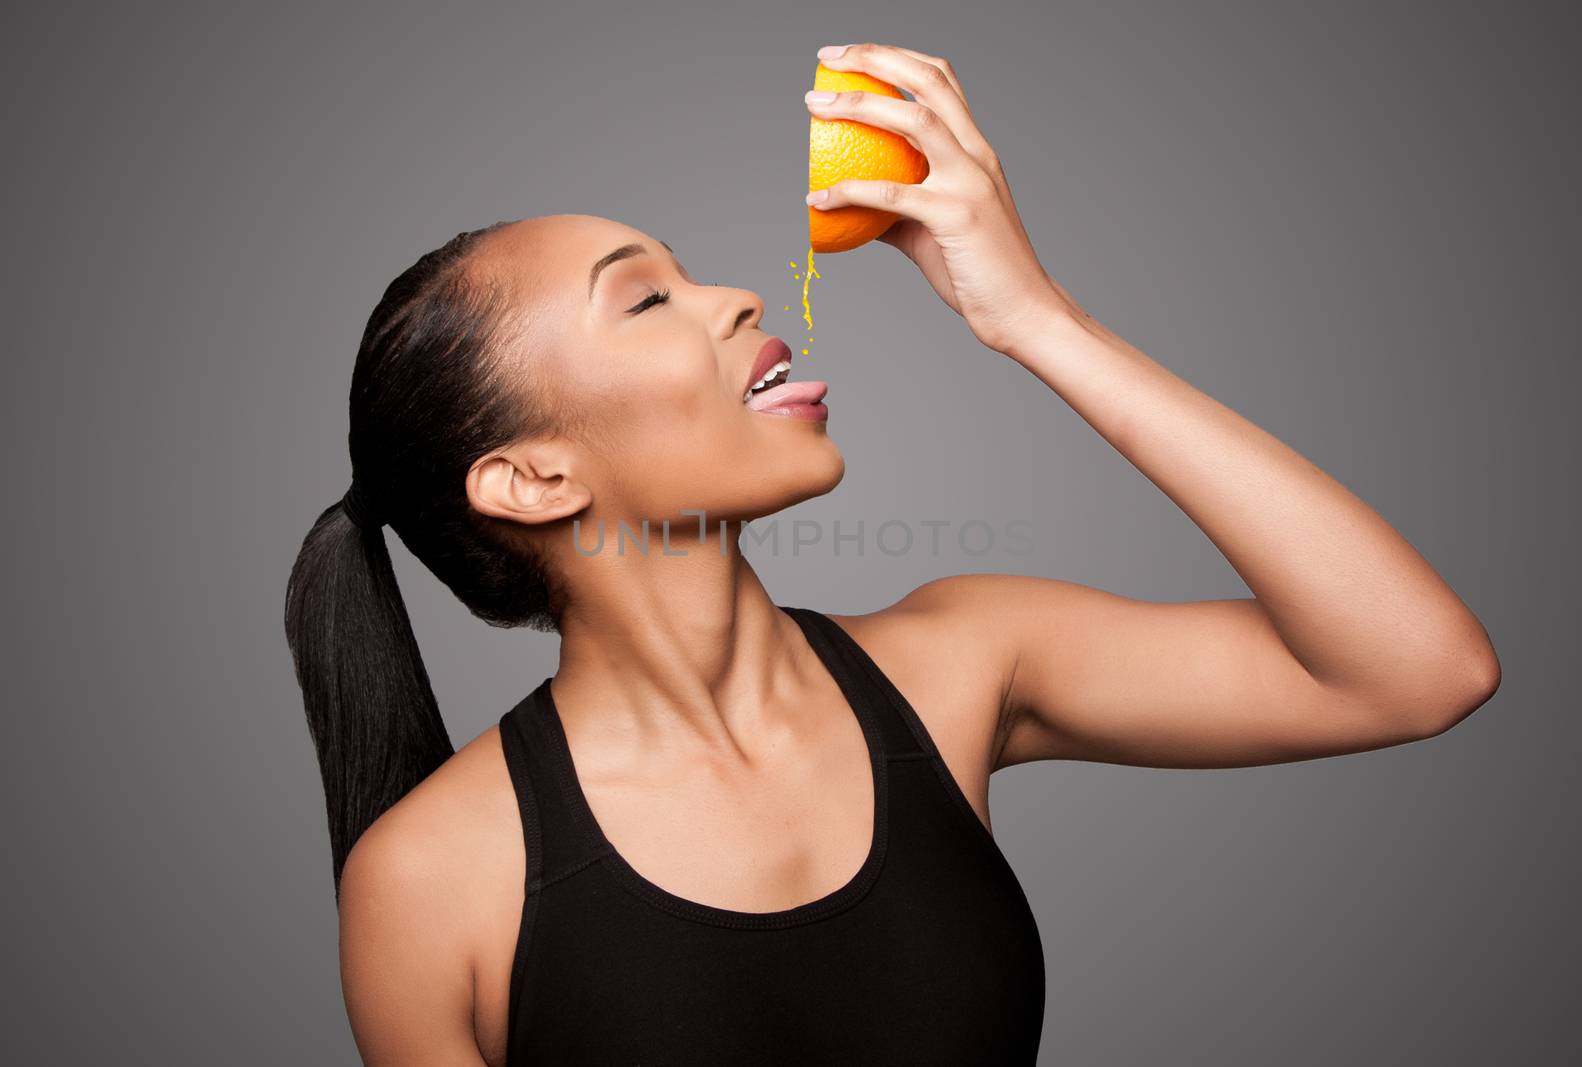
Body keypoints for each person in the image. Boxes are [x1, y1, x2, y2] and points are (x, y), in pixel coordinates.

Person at [284, 41, 1500, 1067]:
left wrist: (1034, 320)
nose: (735, 299)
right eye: (646, 299)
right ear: (534, 476)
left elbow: (1412, 669)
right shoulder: (433, 878)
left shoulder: (963, 661)